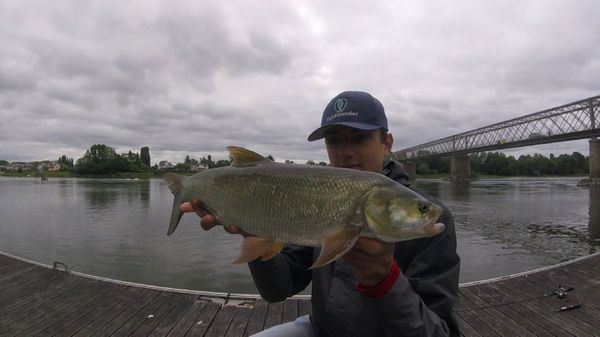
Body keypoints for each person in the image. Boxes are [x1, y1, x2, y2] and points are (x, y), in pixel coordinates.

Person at [181, 91, 460, 337]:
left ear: (386, 143)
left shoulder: (431, 221)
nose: (346, 153)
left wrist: (385, 280)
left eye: (360, 138)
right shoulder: (320, 201)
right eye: (335, 141)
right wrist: (256, 235)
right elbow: (278, 289)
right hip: (321, 329)